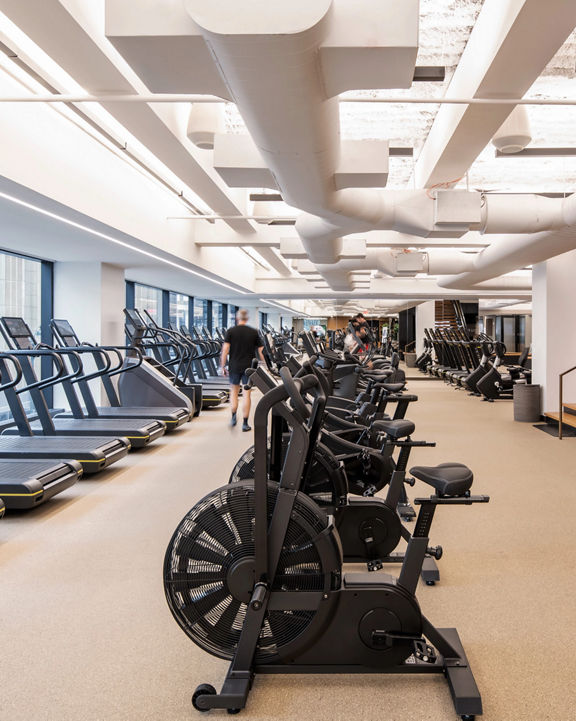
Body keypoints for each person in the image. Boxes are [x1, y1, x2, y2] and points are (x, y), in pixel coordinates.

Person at [220, 308, 265, 431]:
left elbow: (225, 350)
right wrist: (266, 365)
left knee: (234, 392)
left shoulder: (231, 331)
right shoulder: (253, 332)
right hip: (249, 367)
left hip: (234, 366)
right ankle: (245, 423)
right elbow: (261, 351)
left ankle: (233, 417)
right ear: (247, 318)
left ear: (237, 318)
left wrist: (223, 366)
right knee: (246, 394)